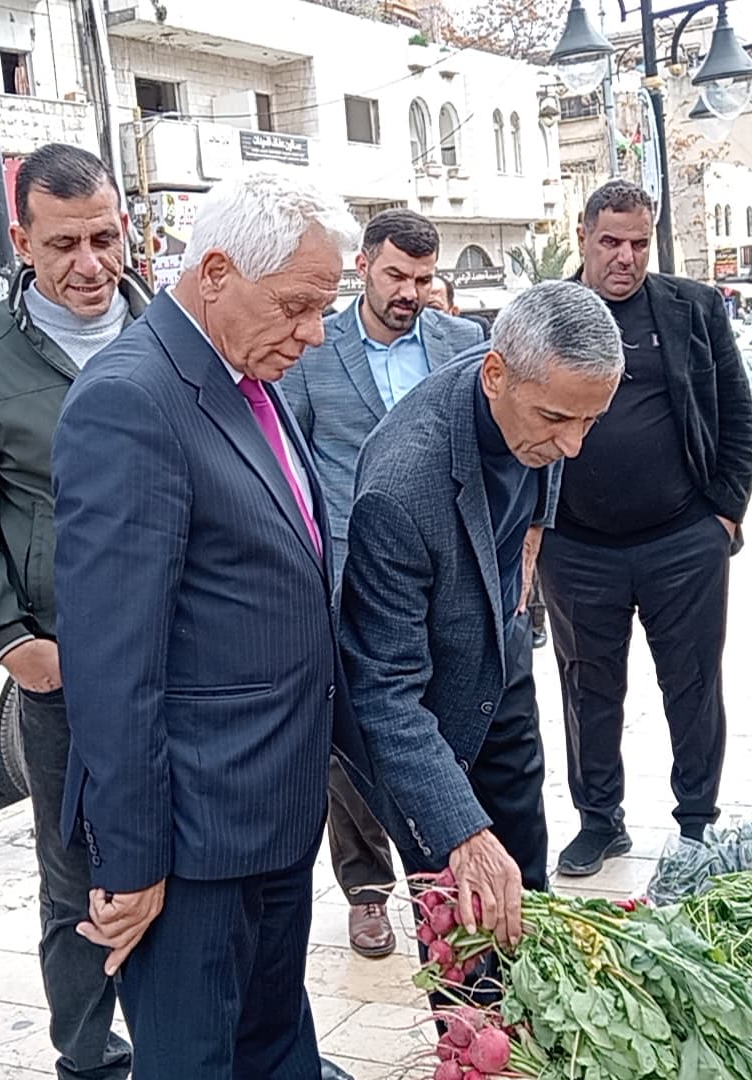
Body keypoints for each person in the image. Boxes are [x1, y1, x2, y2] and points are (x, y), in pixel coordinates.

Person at [48, 170, 364, 1079]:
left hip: (267, 808)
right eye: (298, 306)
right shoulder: (133, 399)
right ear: (217, 270)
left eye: (322, 307)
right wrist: (136, 861)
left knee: (273, 1049)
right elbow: (114, 660)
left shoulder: (245, 379)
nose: (313, 332)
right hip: (190, 843)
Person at [0, 142, 147, 1080]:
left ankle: (197, 1035)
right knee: (77, 877)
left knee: (200, 857)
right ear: (21, 239)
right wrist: (17, 646)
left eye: (104, 237)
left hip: (182, 655)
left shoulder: (176, 332)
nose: (88, 264)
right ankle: (90, 1059)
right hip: (67, 675)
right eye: (63, 245)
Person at [340, 280, 623, 941]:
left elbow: (554, 448)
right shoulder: (401, 490)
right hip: (430, 716)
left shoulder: (537, 396)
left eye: (592, 420)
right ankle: (471, 1040)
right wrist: (461, 831)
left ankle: (539, 1025)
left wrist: (534, 528)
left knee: (527, 894)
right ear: (494, 377)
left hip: (502, 661)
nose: (575, 445)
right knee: (465, 927)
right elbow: (383, 692)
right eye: (557, 420)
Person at [280, 209, 484, 961]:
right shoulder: (311, 351)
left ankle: (449, 869)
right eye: (396, 275)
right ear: (363, 267)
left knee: (441, 731)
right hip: (348, 578)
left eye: (423, 280)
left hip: (451, 583)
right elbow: (295, 467)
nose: (409, 292)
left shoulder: (465, 347)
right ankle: (367, 892)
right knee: (356, 748)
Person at [538, 179, 752, 874]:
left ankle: (696, 821)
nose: (625, 257)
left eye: (638, 243)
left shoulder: (693, 309)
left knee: (692, 685)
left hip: (681, 541)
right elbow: (514, 429)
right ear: (582, 237)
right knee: (587, 689)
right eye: (610, 242)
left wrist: (723, 516)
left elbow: (737, 413)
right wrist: (533, 529)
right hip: (577, 548)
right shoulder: (544, 315)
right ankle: (599, 821)